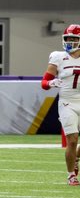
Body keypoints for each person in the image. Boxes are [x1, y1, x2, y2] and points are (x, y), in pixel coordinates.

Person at [40, 24, 80, 185]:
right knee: (72, 140)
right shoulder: (58, 56)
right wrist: (51, 83)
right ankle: (71, 175)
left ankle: (76, 157)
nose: (70, 42)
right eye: (68, 38)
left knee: (75, 144)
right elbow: (44, 82)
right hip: (67, 102)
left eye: (74, 39)